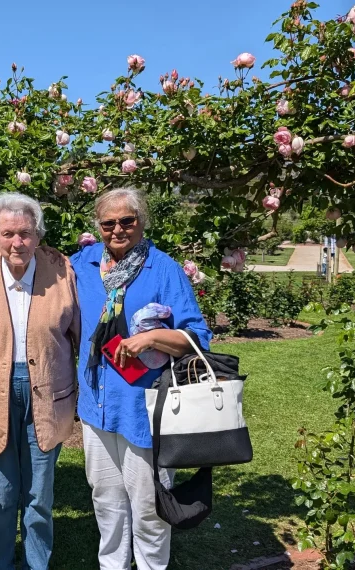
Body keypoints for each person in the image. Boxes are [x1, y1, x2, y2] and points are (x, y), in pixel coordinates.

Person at [70, 187, 212, 570]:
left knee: (149, 503)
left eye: (127, 221)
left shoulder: (162, 269)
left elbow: (197, 337)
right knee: (105, 496)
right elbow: (40, 261)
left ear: (141, 222)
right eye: (108, 223)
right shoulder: (82, 264)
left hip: (143, 407)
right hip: (96, 404)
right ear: (98, 228)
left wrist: (151, 338)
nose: (118, 229)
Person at [0, 192, 80, 570]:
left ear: (39, 235)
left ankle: (36, 564)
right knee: (0, 492)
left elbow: (80, 332)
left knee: (38, 495)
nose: (17, 242)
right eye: (8, 233)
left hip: (47, 391)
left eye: (26, 233)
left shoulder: (61, 270)